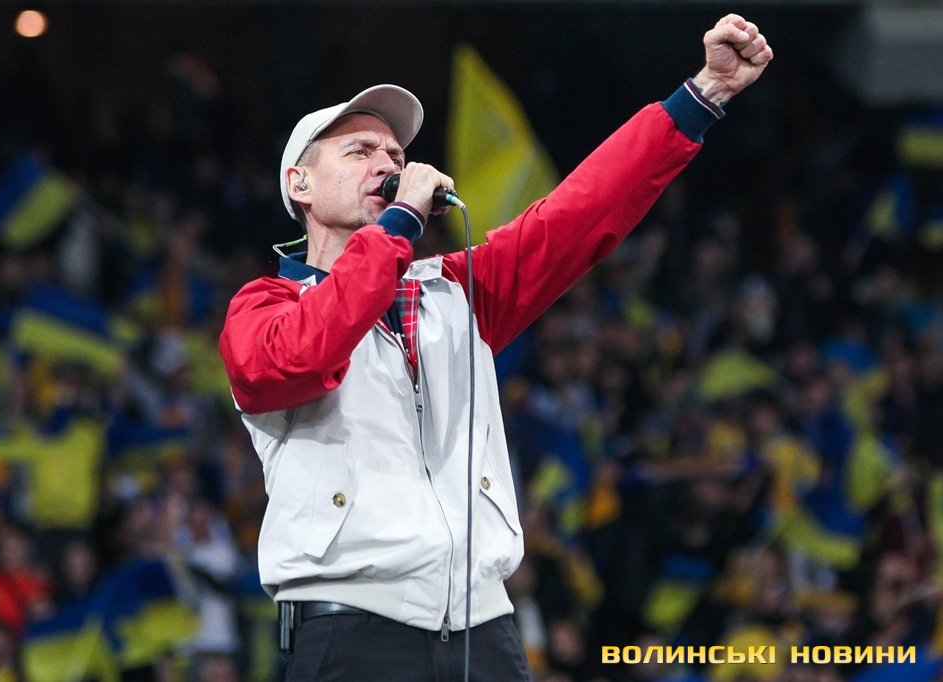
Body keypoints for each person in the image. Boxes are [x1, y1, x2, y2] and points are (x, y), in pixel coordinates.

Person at [219, 13, 773, 681]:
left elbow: (581, 212)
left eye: (396, 156)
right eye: (359, 151)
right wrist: (399, 224)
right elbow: (307, 354)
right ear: (298, 184)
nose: (388, 164)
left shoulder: (458, 291)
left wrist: (705, 92)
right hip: (351, 629)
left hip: (484, 629)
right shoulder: (263, 308)